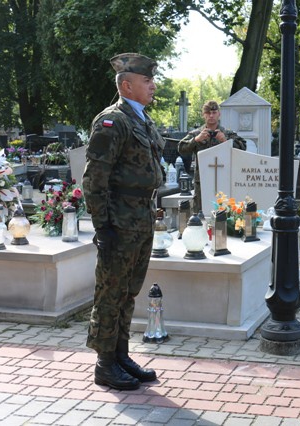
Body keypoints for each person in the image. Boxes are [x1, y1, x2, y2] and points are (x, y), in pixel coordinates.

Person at [82, 53, 165, 391]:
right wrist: (103, 227)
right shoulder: (112, 121)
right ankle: (104, 364)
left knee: (129, 292)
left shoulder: (142, 120)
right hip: (119, 221)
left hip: (141, 218)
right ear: (127, 85)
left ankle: (120, 355)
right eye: (147, 81)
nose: (153, 85)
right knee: (110, 293)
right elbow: (94, 179)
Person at [178, 100, 246, 213]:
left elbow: (243, 148)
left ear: (219, 114)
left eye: (214, 112)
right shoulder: (196, 133)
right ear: (203, 115)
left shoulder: (227, 133)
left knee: (225, 212)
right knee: (200, 213)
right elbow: (181, 149)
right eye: (208, 112)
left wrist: (225, 140)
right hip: (202, 182)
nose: (211, 115)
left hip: (225, 180)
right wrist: (196, 140)